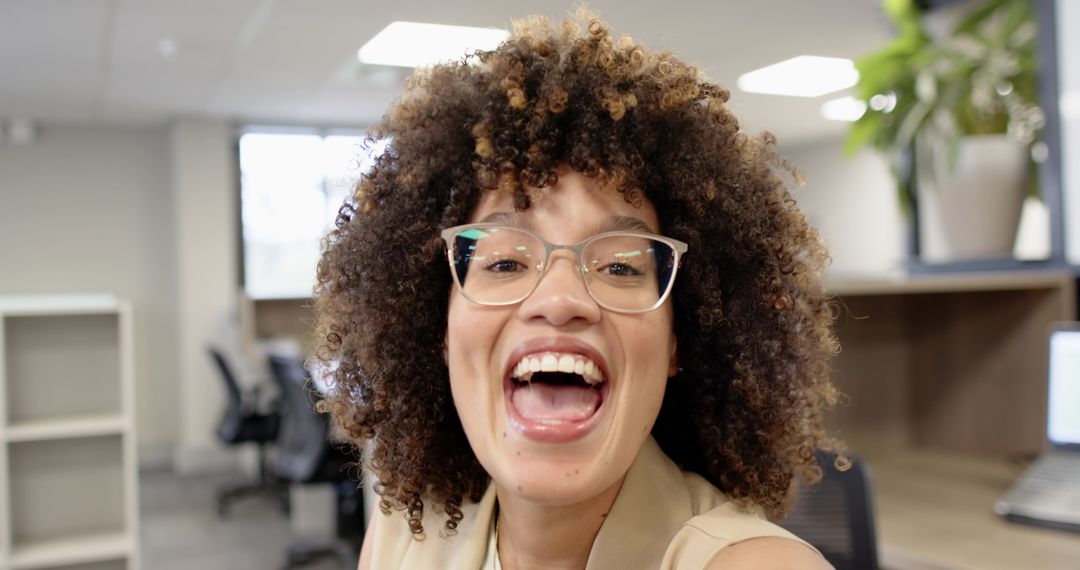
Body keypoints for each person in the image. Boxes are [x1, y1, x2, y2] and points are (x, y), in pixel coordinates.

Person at [313, 10, 840, 569]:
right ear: (438, 329)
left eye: (620, 267)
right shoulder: (401, 530)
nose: (560, 300)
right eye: (504, 261)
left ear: (678, 342)